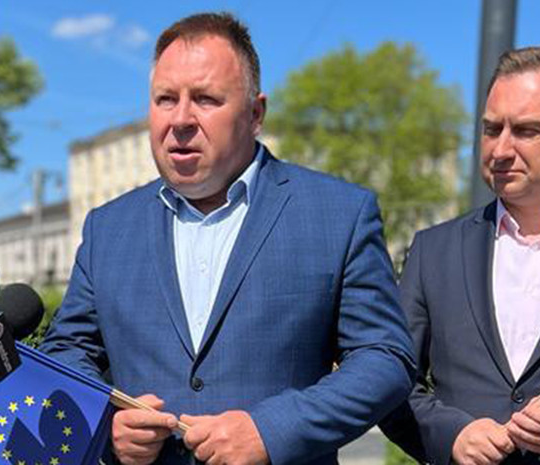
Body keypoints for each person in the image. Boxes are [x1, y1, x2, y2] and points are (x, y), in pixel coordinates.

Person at [40, 12, 415, 465]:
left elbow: (384, 359)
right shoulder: (108, 228)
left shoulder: (339, 215)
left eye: (205, 99)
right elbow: (66, 351)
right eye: (165, 99)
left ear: (255, 114)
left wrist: (271, 431)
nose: (181, 119)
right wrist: (103, 423)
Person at [381, 47, 540, 465]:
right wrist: (450, 435)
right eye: (491, 129)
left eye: (525, 130)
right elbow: (390, 382)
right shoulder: (433, 252)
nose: (500, 149)